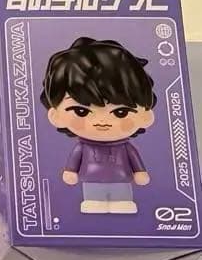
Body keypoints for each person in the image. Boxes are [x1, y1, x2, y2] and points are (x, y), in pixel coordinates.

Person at [40, 37, 156, 214]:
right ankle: (94, 202)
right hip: (91, 179)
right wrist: (70, 171)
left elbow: (135, 160)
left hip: (121, 179)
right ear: (56, 116)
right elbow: (74, 161)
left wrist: (140, 172)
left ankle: (122, 202)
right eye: (81, 111)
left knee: (122, 199)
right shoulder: (82, 147)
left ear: (145, 116)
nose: (102, 121)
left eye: (120, 112)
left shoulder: (126, 147)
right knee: (93, 198)